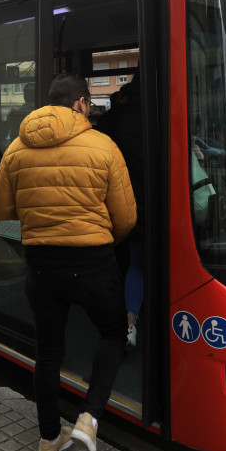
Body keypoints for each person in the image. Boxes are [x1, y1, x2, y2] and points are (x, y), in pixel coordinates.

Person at [0, 72, 136, 451]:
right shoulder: (103, 145)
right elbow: (125, 218)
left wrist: (38, 220)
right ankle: (89, 418)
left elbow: (0, 211)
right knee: (113, 331)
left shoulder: (17, 149)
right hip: (93, 262)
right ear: (82, 104)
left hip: (41, 262)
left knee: (48, 351)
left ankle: (49, 441)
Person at [95, 80, 145, 349]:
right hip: (162, 205)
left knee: (133, 264)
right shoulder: (159, 113)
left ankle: (129, 324)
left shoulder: (112, 121)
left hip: (125, 201)